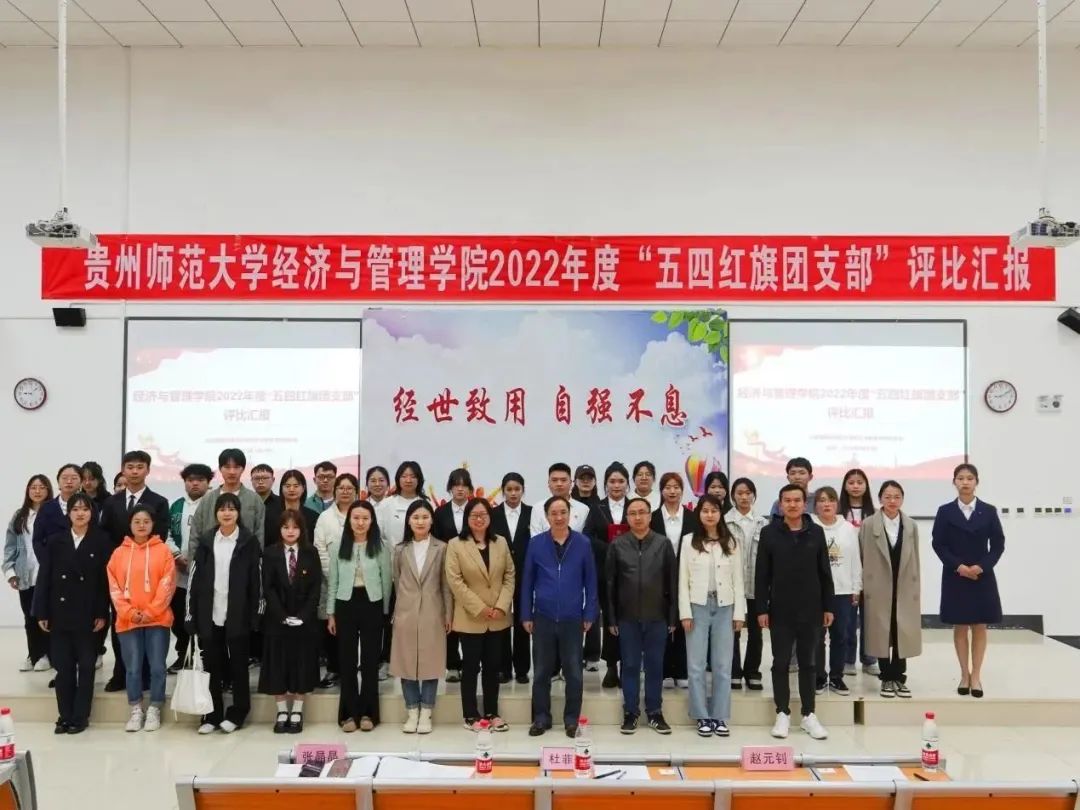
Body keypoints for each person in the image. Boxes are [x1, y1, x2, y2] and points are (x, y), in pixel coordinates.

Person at [756, 484, 833, 741]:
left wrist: (828, 606)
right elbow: (762, 574)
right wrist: (761, 608)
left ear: (804, 504)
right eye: (787, 500)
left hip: (811, 609)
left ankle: (809, 715)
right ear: (780, 504)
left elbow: (825, 572)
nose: (792, 504)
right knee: (780, 662)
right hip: (780, 609)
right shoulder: (769, 533)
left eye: (797, 500)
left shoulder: (816, 532)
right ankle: (782, 713)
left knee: (809, 662)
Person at [32, 492, 109, 734]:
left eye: (85, 509)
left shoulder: (101, 540)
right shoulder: (56, 541)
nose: (80, 513)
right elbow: (44, 577)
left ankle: (80, 716)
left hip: (89, 614)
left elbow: (104, 581)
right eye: (75, 509)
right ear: (69, 513)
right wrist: (41, 612)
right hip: (60, 613)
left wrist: (102, 612)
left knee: (86, 667)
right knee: (63, 668)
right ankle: (64, 716)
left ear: (92, 513)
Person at [521, 496, 598, 739]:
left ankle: (571, 720)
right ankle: (541, 718)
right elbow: (527, 581)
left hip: (572, 617)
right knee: (542, 672)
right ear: (547, 516)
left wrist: (590, 612)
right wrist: (526, 614)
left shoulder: (582, 543)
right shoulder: (536, 543)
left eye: (563, 512)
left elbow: (591, 581)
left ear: (569, 514)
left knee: (574, 672)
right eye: (553, 513)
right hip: (542, 616)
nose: (558, 517)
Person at [187, 492, 262, 734]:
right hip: (210, 613)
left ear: (238, 513)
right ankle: (212, 714)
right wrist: (190, 614)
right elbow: (194, 580)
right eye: (222, 509)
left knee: (239, 666)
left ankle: (238, 713)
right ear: (216, 513)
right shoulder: (207, 541)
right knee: (212, 666)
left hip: (238, 614)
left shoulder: (248, 542)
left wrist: (256, 614)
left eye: (231, 509)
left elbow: (257, 581)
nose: (226, 513)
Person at [99, 451, 171, 693]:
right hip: (121, 571)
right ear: (123, 469)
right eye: (130, 467)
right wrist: (120, 560)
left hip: (150, 572)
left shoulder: (159, 501)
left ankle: (148, 677)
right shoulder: (111, 502)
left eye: (140, 467)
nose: (134, 471)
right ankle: (121, 673)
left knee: (151, 628)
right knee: (121, 621)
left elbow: (160, 535)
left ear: (148, 470)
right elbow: (105, 534)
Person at [931, 463, 1004, 699]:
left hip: (982, 575)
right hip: (956, 575)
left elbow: (998, 544)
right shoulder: (945, 511)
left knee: (980, 626)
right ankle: (964, 674)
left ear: (976, 482)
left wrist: (981, 567)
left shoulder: (988, 511)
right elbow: (938, 544)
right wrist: (959, 566)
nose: (965, 482)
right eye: (960, 478)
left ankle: (976, 676)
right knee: (960, 626)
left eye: (969, 478)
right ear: (954, 482)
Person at [606, 497, 677, 735]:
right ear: (627, 518)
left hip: (658, 616)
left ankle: (655, 712)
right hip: (627, 618)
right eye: (633, 513)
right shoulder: (617, 545)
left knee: (655, 666)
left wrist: (672, 617)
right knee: (630, 665)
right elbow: (610, 585)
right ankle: (631, 712)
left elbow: (672, 582)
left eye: (642, 512)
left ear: (649, 515)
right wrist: (611, 618)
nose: (638, 517)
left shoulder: (663, 544)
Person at [446, 498, 515, 731]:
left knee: (493, 666)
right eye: (474, 515)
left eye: (483, 515)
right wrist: (480, 608)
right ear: (467, 518)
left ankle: (492, 712)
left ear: (489, 517)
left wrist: (501, 606)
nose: (479, 519)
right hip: (470, 617)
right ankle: (470, 715)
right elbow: (455, 582)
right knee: (470, 667)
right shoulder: (455, 545)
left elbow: (509, 576)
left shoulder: (500, 542)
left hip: (497, 617)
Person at [107, 505, 176, 733]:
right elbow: (114, 588)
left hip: (157, 620)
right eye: (137, 521)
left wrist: (150, 612)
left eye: (146, 521)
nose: (141, 525)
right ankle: (136, 709)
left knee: (157, 667)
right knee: (133, 668)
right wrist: (130, 613)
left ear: (153, 524)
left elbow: (167, 584)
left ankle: (155, 707)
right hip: (128, 621)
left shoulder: (163, 551)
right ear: (130, 524)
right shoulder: (118, 553)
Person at [680, 493, 744, 737]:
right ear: (698, 513)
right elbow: (682, 580)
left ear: (720, 513)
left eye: (714, 510)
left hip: (725, 606)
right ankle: (701, 716)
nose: (709, 515)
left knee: (722, 665)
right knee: (696, 665)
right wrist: (685, 613)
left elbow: (738, 579)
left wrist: (739, 613)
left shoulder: (732, 542)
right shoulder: (689, 541)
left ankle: (719, 715)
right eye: (705, 510)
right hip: (697, 605)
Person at [327, 501, 391, 733]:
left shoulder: (381, 547)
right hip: (345, 604)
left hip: (372, 604)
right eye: (356, 518)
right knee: (347, 660)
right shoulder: (337, 546)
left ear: (372, 521)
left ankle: (368, 713)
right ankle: (348, 713)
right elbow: (333, 581)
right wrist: (331, 613)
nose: (360, 522)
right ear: (349, 520)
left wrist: (385, 612)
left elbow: (387, 582)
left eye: (365, 518)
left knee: (370, 661)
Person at [390, 500, 452, 735]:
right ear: (408, 520)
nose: (420, 521)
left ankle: (426, 711)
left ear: (432, 520)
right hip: (406, 612)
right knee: (406, 663)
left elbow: (446, 584)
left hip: (433, 612)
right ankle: (412, 711)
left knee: (430, 663)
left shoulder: (442, 548)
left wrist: (448, 613)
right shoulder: (400, 549)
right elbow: (397, 581)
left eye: (425, 517)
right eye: (415, 517)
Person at [859, 480, 922, 699]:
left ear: (902, 499)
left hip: (904, 585)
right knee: (882, 631)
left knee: (901, 631)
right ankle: (886, 677)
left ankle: (899, 677)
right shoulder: (869, 524)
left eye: (896, 497)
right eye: (887, 497)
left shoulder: (911, 525)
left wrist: (916, 587)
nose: (892, 501)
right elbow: (862, 555)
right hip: (878, 586)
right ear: (880, 499)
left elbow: (915, 558)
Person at [260, 509, 321, 734]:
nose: (290, 531)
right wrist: (283, 616)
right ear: (279, 530)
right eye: (286, 527)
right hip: (277, 620)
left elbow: (316, 588)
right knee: (277, 665)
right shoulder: (270, 553)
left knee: (301, 664)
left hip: (305, 621)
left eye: (295, 527)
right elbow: (268, 588)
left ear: (301, 530)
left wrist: (302, 616)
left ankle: (297, 710)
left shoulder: (310, 552)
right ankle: (281, 711)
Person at [583, 462, 631, 689]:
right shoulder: (597, 508)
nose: (616, 485)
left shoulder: (635, 506)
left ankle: (629, 666)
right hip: (604, 572)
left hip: (631, 573)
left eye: (621, 481)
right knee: (610, 619)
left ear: (627, 484)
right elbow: (588, 536)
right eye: (612, 481)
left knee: (627, 620)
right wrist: (610, 547)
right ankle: (611, 666)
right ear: (605, 484)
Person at [811, 487, 861, 697]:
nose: (826, 504)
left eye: (831, 500)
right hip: (816, 591)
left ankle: (837, 677)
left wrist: (856, 587)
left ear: (837, 504)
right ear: (815, 505)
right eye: (822, 500)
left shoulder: (848, 528)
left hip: (843, 590)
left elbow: (855, 559)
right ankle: (819, 677)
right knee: (817, 637)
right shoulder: (810, 526)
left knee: (840, 635)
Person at [650, 472, 697, 688]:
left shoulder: (693, 517)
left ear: (682, 491)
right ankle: (665, 670)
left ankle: (681, 669)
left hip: (687, 575)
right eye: (667, 487)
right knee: (662, 623)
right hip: (658, 576)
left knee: (684, 621)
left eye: (676, 487)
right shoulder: (653, 518)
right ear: (661, 491)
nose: (672, 491)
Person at [313, 473, 359, 689]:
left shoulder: (362, 514)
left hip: (358, 582)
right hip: (329, 580)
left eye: (350, 488)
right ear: (335, 490)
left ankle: (350, 669)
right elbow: (320, 548)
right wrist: (332, 575)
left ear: (356, 491)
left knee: (352, 628)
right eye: (341, 488)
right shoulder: (325, 518)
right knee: (331, 626)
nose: (345, 491)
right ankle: (333, 669)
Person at [166, 463, 213, 674]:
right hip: (179, 570)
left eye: (200, 480)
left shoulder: (214, 504)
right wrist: (176, 555)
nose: (195, 484)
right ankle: (182, 654)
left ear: (208, 482)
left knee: (202, 614)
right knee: (178, 615)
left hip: (205, 569)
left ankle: (202, 655)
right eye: (190, 480)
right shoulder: (176, 505)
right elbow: (166, 534)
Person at [5, 474, 53, 672]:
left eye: (42, 487)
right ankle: (33, 654)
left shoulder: (54, 513)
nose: (37, 491)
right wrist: (10, 572)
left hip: (48, 574)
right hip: (26, 575)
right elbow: (10, 546)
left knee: (46, 616)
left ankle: (47, 655)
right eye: (33, 487)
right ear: (28, 491)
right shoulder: (20, 515)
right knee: (29, 617)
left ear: (48, 490)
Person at [726, 477, 767, 691]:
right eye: (739, 493)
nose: (744, 497)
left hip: (756, 585)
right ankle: (734, 671)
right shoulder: (725, 522)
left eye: (748, 493)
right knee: (732, 630)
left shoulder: (763, 523)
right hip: (732, 586)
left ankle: (752, 672)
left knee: (756, 631)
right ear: (733, 496)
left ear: (754, 495)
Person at [433, 468, 473, 684]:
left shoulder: (476, 510)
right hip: (448, 571)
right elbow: (436, 542)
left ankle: (471, 663)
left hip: (473, 572)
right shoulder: (440, 513)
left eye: (464, 485)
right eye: (456, 485)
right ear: (450, 488)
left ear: (470, 489)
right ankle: (453, 665)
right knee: (449, 616)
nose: (460, 489)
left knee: (469, 617)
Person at [492, 472, 532, 684]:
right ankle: (502, 668)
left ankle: (522, 669)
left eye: (517, 489)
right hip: (500, 576)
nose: (513, 493)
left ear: (523, 490)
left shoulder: (532, 513)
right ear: (503, 491)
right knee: (502, 621)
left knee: (523, 620)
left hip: (526, 574)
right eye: (509, 489)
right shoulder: (493, 513)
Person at [839, 468, 878, 677]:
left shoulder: (875, 513)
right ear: (845, 486)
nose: (855, 486)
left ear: (866, 485)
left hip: (871, 571)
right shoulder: (838, 512)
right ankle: (847, 660)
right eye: (851, 482)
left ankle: (869, 659)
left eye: (860, 482)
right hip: (846, 570)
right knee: (847, 618)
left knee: (869, 618)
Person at [190, 448, 266, 550]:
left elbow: (259, 535)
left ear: (243, 469)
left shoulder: (254, 500)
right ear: (220, 469)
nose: (232, 472)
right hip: (210, 557)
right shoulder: (208, 499)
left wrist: (256, 558)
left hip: (245, 557)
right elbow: (195, 535)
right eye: (227, 467)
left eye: (236, 467)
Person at [31, 464, 84, 559]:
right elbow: (38, 540)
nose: (69, 481)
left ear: (81, 483)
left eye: (74, 478)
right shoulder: (46, 507)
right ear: (58, 482)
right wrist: (46, 561)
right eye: (64, 478)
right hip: (52, 562)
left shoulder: (90, 506)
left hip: (81, 561)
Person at [376, 461, 427, 548]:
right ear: (398, 479)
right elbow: (378, 535)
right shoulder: (385, 504)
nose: (408, 480)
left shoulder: (426, 504)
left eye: (413, 477)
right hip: (391, 553)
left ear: (419, 480)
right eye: (404, 476)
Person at [264, 469, 320, 549]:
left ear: (303, 488)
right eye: (287, 486)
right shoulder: (270, 514)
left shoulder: (313, 516)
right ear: (281, 488)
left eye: (296, 486)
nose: (291, 489)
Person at [529, 463, 591, 535]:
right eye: (554, 480)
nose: (559, 484)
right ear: (548, 483)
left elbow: (585, 538)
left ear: (571, 483)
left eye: (563, 480)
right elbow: (535, 537)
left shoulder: (583, 509)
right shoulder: (538, 508)